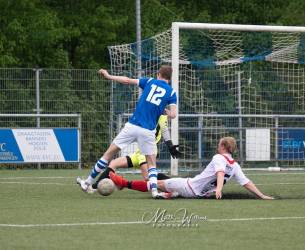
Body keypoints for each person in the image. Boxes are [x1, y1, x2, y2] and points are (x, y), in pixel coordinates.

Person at [77, 65, 177, 198]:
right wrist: (163, 110)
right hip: (148, 131)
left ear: (158, 74)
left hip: (132, 126)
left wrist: (109, 76)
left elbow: (127, 80)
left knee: (108, 155)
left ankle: (87, 182)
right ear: (169, 79)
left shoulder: (149, 81)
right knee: (151, 164)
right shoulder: (172, 92)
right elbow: (173, 115)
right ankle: (154, 192)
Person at [109, 137, 274, 200]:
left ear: (223, 146)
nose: (217, 146)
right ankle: (170, 194)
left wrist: (219, 190)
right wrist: (261, 195)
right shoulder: (235, 165)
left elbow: (220, 172)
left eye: (219, 144)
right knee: (166, 187)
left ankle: (124, 183)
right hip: (197, 193)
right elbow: (246, 182)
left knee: (154, 183)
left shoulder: (218, 158)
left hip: (188, 186)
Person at [86, 114, 182, 193]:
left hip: (148, 151)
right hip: (138, 153)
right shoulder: (146, 112)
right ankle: (95, 187)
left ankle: (174, 185)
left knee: (148, 178)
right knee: (114, 163)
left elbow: (164, 130)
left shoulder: (161, 115)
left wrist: (170, 145)